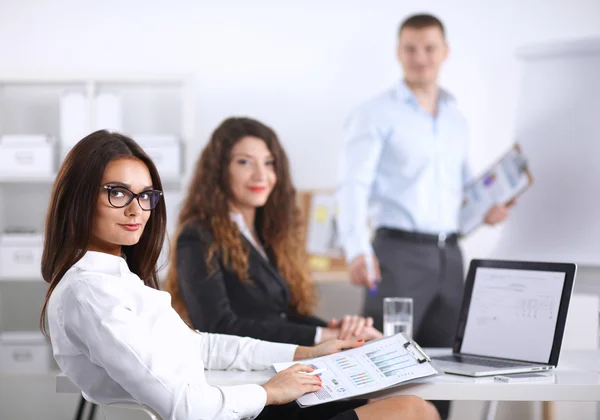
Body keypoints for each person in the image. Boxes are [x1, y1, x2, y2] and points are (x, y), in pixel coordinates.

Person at [40, 130, 439, 420]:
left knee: (395, 403)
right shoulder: (89, 292)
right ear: (79, 196)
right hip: (221, 411)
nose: (136, 209)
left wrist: (305, 352)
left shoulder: (118, 279)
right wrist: (268, 393)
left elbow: (204, 346)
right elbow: (181, 407)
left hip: (229, 405)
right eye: (117, 192)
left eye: (145, 195)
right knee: (411, 409)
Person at [336, 14, 512, 418]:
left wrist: (487, 211)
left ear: (444, 52)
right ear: (399, 52)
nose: (420, 57)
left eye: (429, 48)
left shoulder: (455, 118)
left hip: (451, 256)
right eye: (410, 48)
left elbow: (463, 192)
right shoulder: (375, 113)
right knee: (386, 367)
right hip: (396, 255)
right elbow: (352, 186)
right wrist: (356, 251)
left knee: (447, 365)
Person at [165, 117, 382, 346]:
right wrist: (321, 336)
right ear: (219, 170)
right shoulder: (198, 236)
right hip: (239, 372)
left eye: (269, 163)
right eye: (245, 162)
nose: (261, 175)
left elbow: (280, 317)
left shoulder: (266, 234)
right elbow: (217, 326)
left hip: (278, 363)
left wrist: (335, 329)